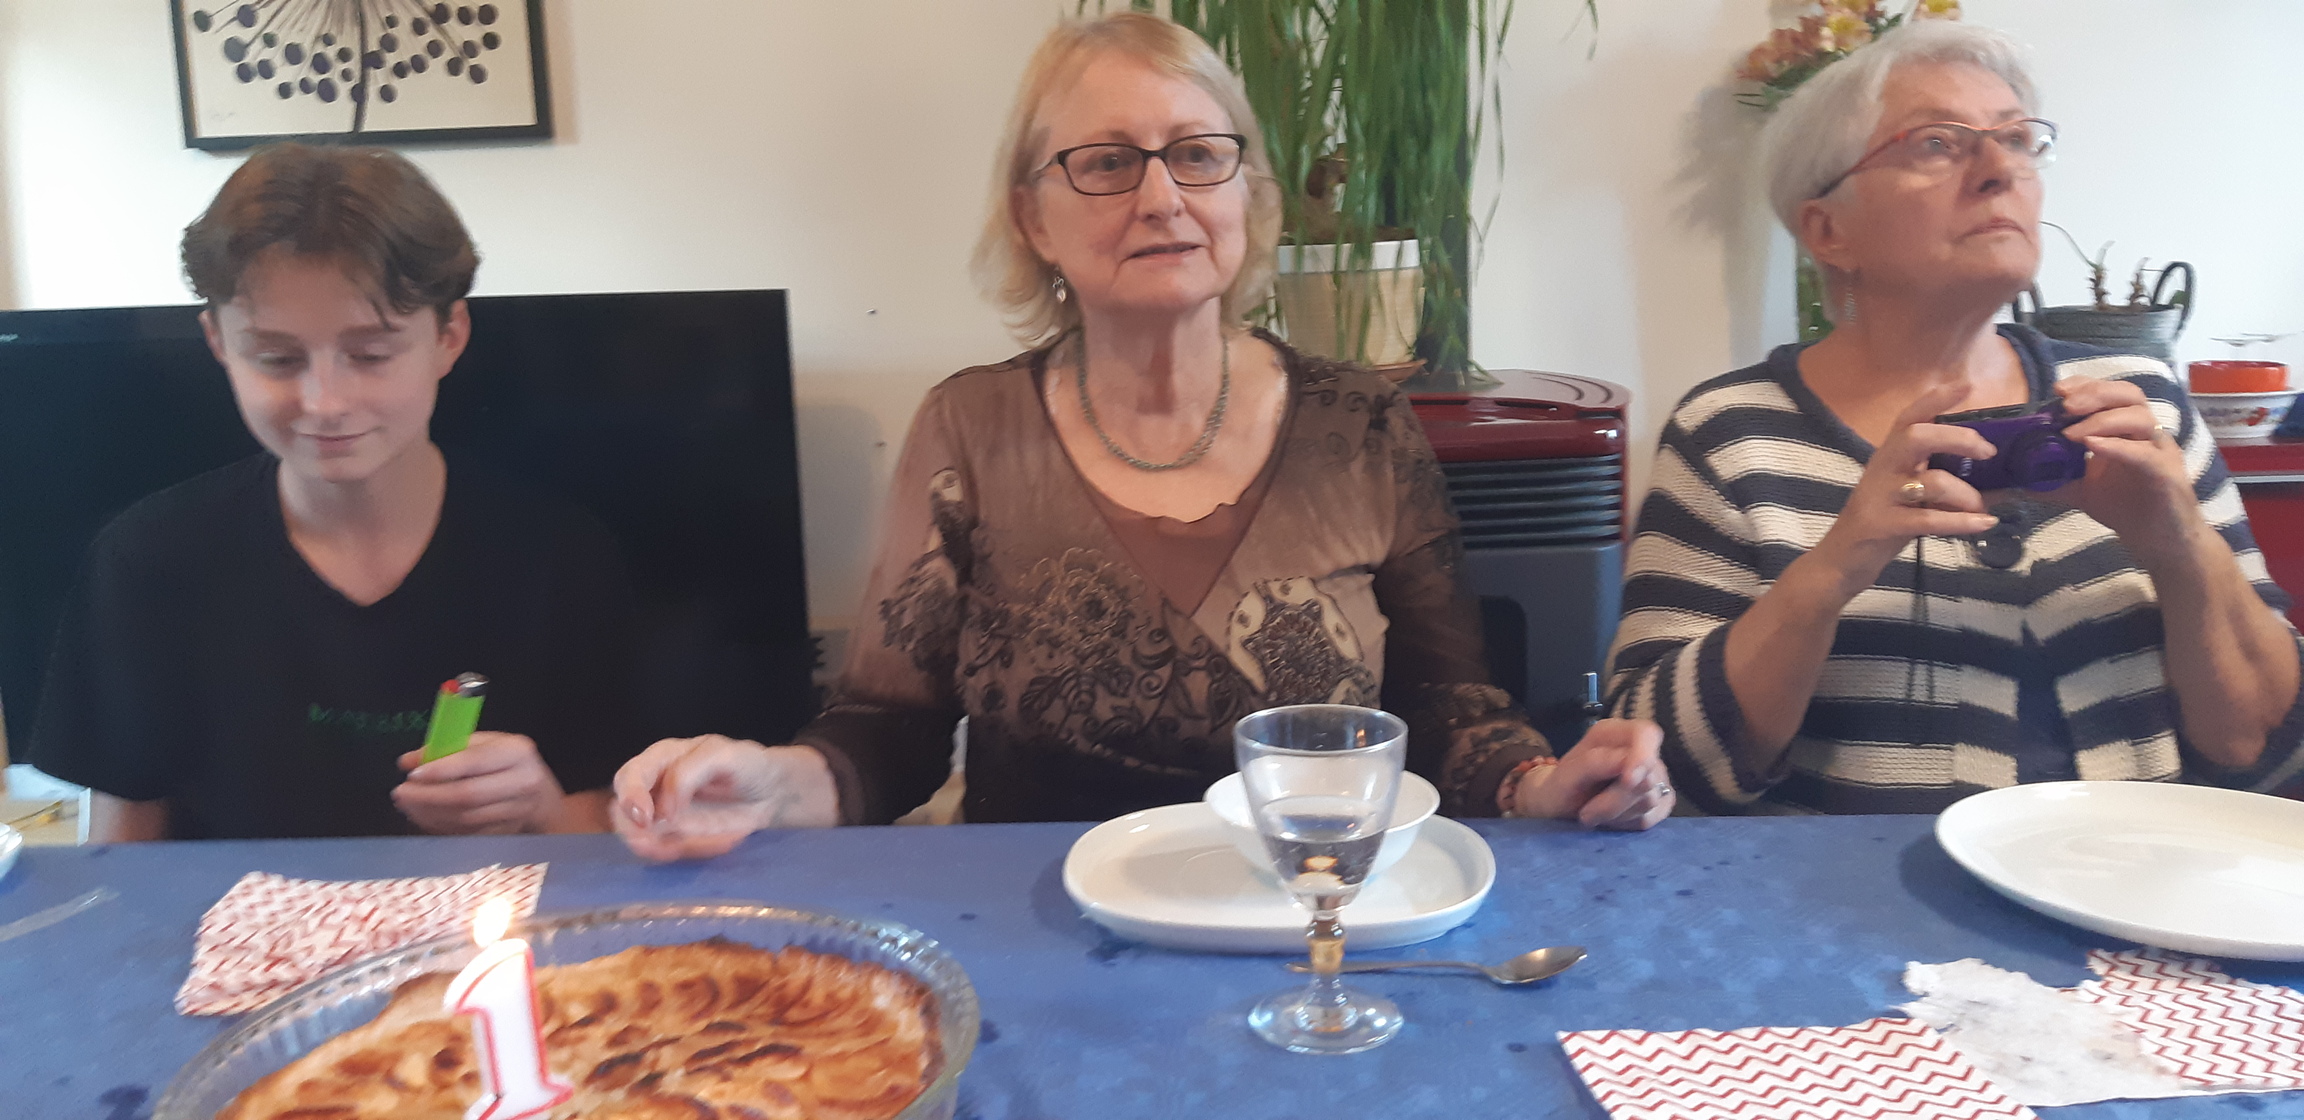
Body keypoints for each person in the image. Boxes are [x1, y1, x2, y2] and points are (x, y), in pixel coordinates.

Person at [613, 13, 1674, 861]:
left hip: (1307, 914)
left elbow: (1448, 711)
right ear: (1034, 218)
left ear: (1248, 196)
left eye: (1198, 155)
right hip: (1041, 928)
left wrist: (1543, 783)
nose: (1163, 196)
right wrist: (767, 781)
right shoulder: (970, 427)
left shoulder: (1360, 426)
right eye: (1109, 163)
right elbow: (887, 732)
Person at [1605, 21, 2304, 814]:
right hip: (1850, 891)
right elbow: (1656, 771)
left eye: (2017, 139)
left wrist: (2181, 546)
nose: (2000, 170)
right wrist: (1832, 571)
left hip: (2130, 879)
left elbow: (2267, 749)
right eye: (1937, 143)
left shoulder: (2139, 401)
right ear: (1828, 230)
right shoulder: (1732, 432)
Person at [30, 144, 638, 840]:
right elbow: (123, 851)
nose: (324, 402)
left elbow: (601, 831)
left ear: (450, 336)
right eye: (277, 358)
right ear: (218, 343)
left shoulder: (558, 557)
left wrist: (540, 808)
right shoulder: (149, 561)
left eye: (371, 354)